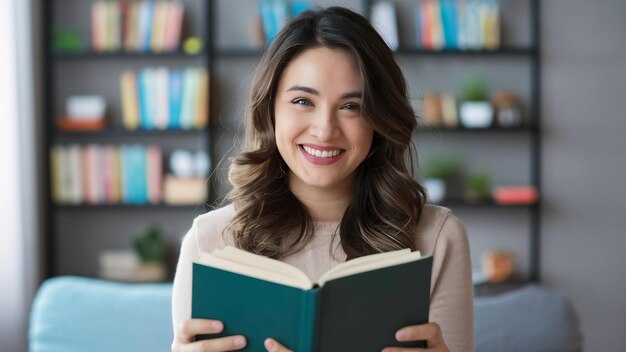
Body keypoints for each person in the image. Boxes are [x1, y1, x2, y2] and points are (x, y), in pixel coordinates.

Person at [171, 6, 473, 352]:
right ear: (270, 110)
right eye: (303, 101)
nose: (324, 130)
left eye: (351, 107)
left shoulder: (437, 238)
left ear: (379, 118)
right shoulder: (208, 242)